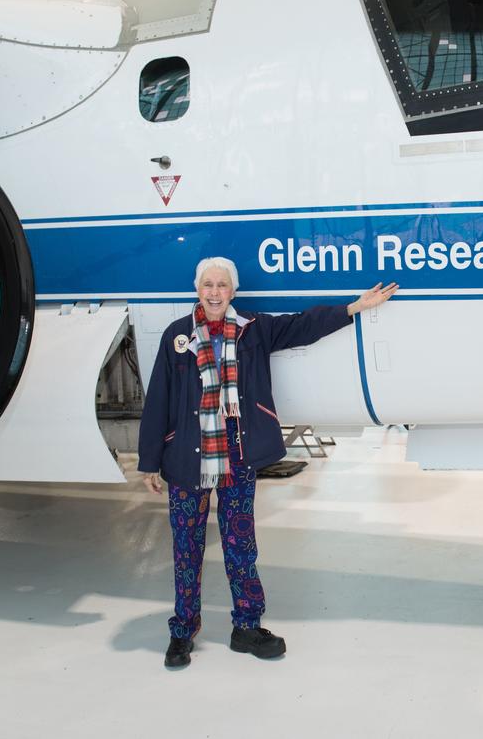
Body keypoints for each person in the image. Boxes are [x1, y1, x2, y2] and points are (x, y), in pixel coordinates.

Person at [138, 255, 397, 669]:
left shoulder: (253, 330)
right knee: (186, 549)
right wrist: (150, 460)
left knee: (241, 547)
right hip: (188, 462)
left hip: (237, 460)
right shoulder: (177, 337)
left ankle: (247, 626)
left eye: (223, 285)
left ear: (233, 291)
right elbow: (158, 403)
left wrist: (354, 308)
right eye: (208, 285)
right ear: (197, 289)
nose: (215, 292)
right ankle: (182, 631)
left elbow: (303, 326)